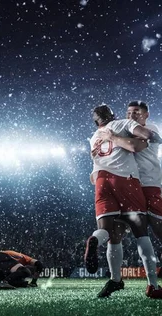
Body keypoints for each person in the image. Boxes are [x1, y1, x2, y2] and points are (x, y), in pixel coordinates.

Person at [84, 104, 162, 298]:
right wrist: (146, 137)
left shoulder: (94, 137)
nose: (131, 115)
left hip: (101, 181)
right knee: (141, 232)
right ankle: (153, 285)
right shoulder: (124, 124)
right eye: (129, 113)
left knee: (111, 233)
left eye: (135, 112)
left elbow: (92, 176)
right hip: (127, 180)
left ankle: (98, 245)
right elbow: (141, 141)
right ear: (114, 115)